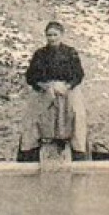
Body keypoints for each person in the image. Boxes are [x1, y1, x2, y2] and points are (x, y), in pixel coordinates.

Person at [18, 20, 89, 161]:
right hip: (45, 89)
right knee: (32, 116)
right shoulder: (40, 54)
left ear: (61, 35)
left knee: (77, 113)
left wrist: (67, 87)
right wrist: (44, 86)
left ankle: (78, 149)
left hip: (67, 89)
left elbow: (79, 74)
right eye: (49, 35)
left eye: (55, 35)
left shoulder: (70, 53)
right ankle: (30, 149)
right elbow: (31, 76)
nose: (52, 38)